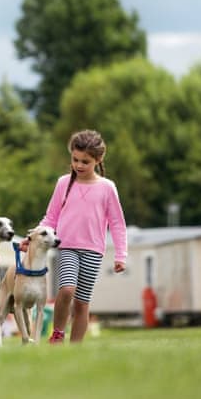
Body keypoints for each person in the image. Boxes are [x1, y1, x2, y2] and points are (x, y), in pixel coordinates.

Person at [38, 129, 127, 344]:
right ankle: (57, 334)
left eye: (85, 161)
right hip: (66, 246)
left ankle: (76, 348)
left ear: (98, 159)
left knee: (81, 303)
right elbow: (51, 217)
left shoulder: (107, 188)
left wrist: (121, 256)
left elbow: (117, 223)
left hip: (93, 251)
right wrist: (33, 238)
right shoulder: (63, 183)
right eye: (75, 159)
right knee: (67, 289)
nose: (78, 165)